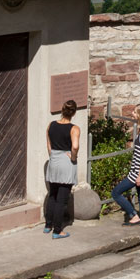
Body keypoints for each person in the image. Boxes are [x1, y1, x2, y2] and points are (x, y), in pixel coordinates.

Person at [110, 104, 140, 228]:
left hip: (138, 172)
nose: (132, 113)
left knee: (116, 193)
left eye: (135, 112)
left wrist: (139, 175)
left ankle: (133, 215)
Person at [43, 99, 80, 239]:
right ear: (74, 113)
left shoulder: (51, 125)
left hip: (54, 160)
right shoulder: (74, 128)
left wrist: (53, 156)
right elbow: (75, 146)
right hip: (66, 162)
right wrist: (73, 157)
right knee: (62, 198)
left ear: (62, 110)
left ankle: (48, 225)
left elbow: (49, 144)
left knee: (52, 194)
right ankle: (58, 231)